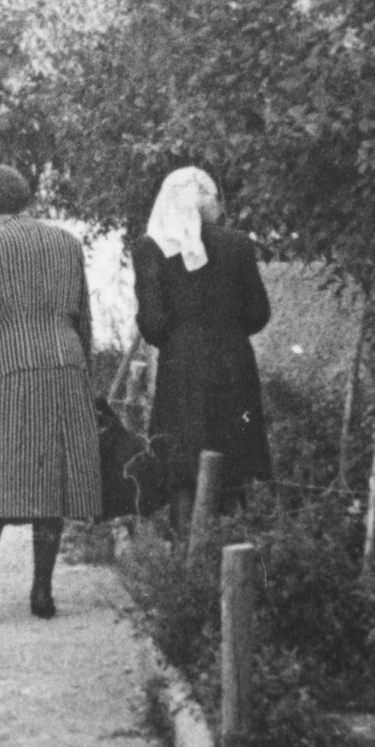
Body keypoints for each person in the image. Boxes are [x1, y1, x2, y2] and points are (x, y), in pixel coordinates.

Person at [0, 161, 101, 624]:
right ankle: (42, 593)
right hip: (65, 365)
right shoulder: (66, 241)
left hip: (8, 367)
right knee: (52, 477)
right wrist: (80, 369)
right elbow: (83, 317)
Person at [131, 167, 272, 530]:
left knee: (183, 467)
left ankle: (186, 563)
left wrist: (182, 333)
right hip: (233, 364)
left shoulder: (151, 248)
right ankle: (235, 546)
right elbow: (258, 313)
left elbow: (153, 324)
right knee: (236, 459)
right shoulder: (238, 244)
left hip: (182, 368)